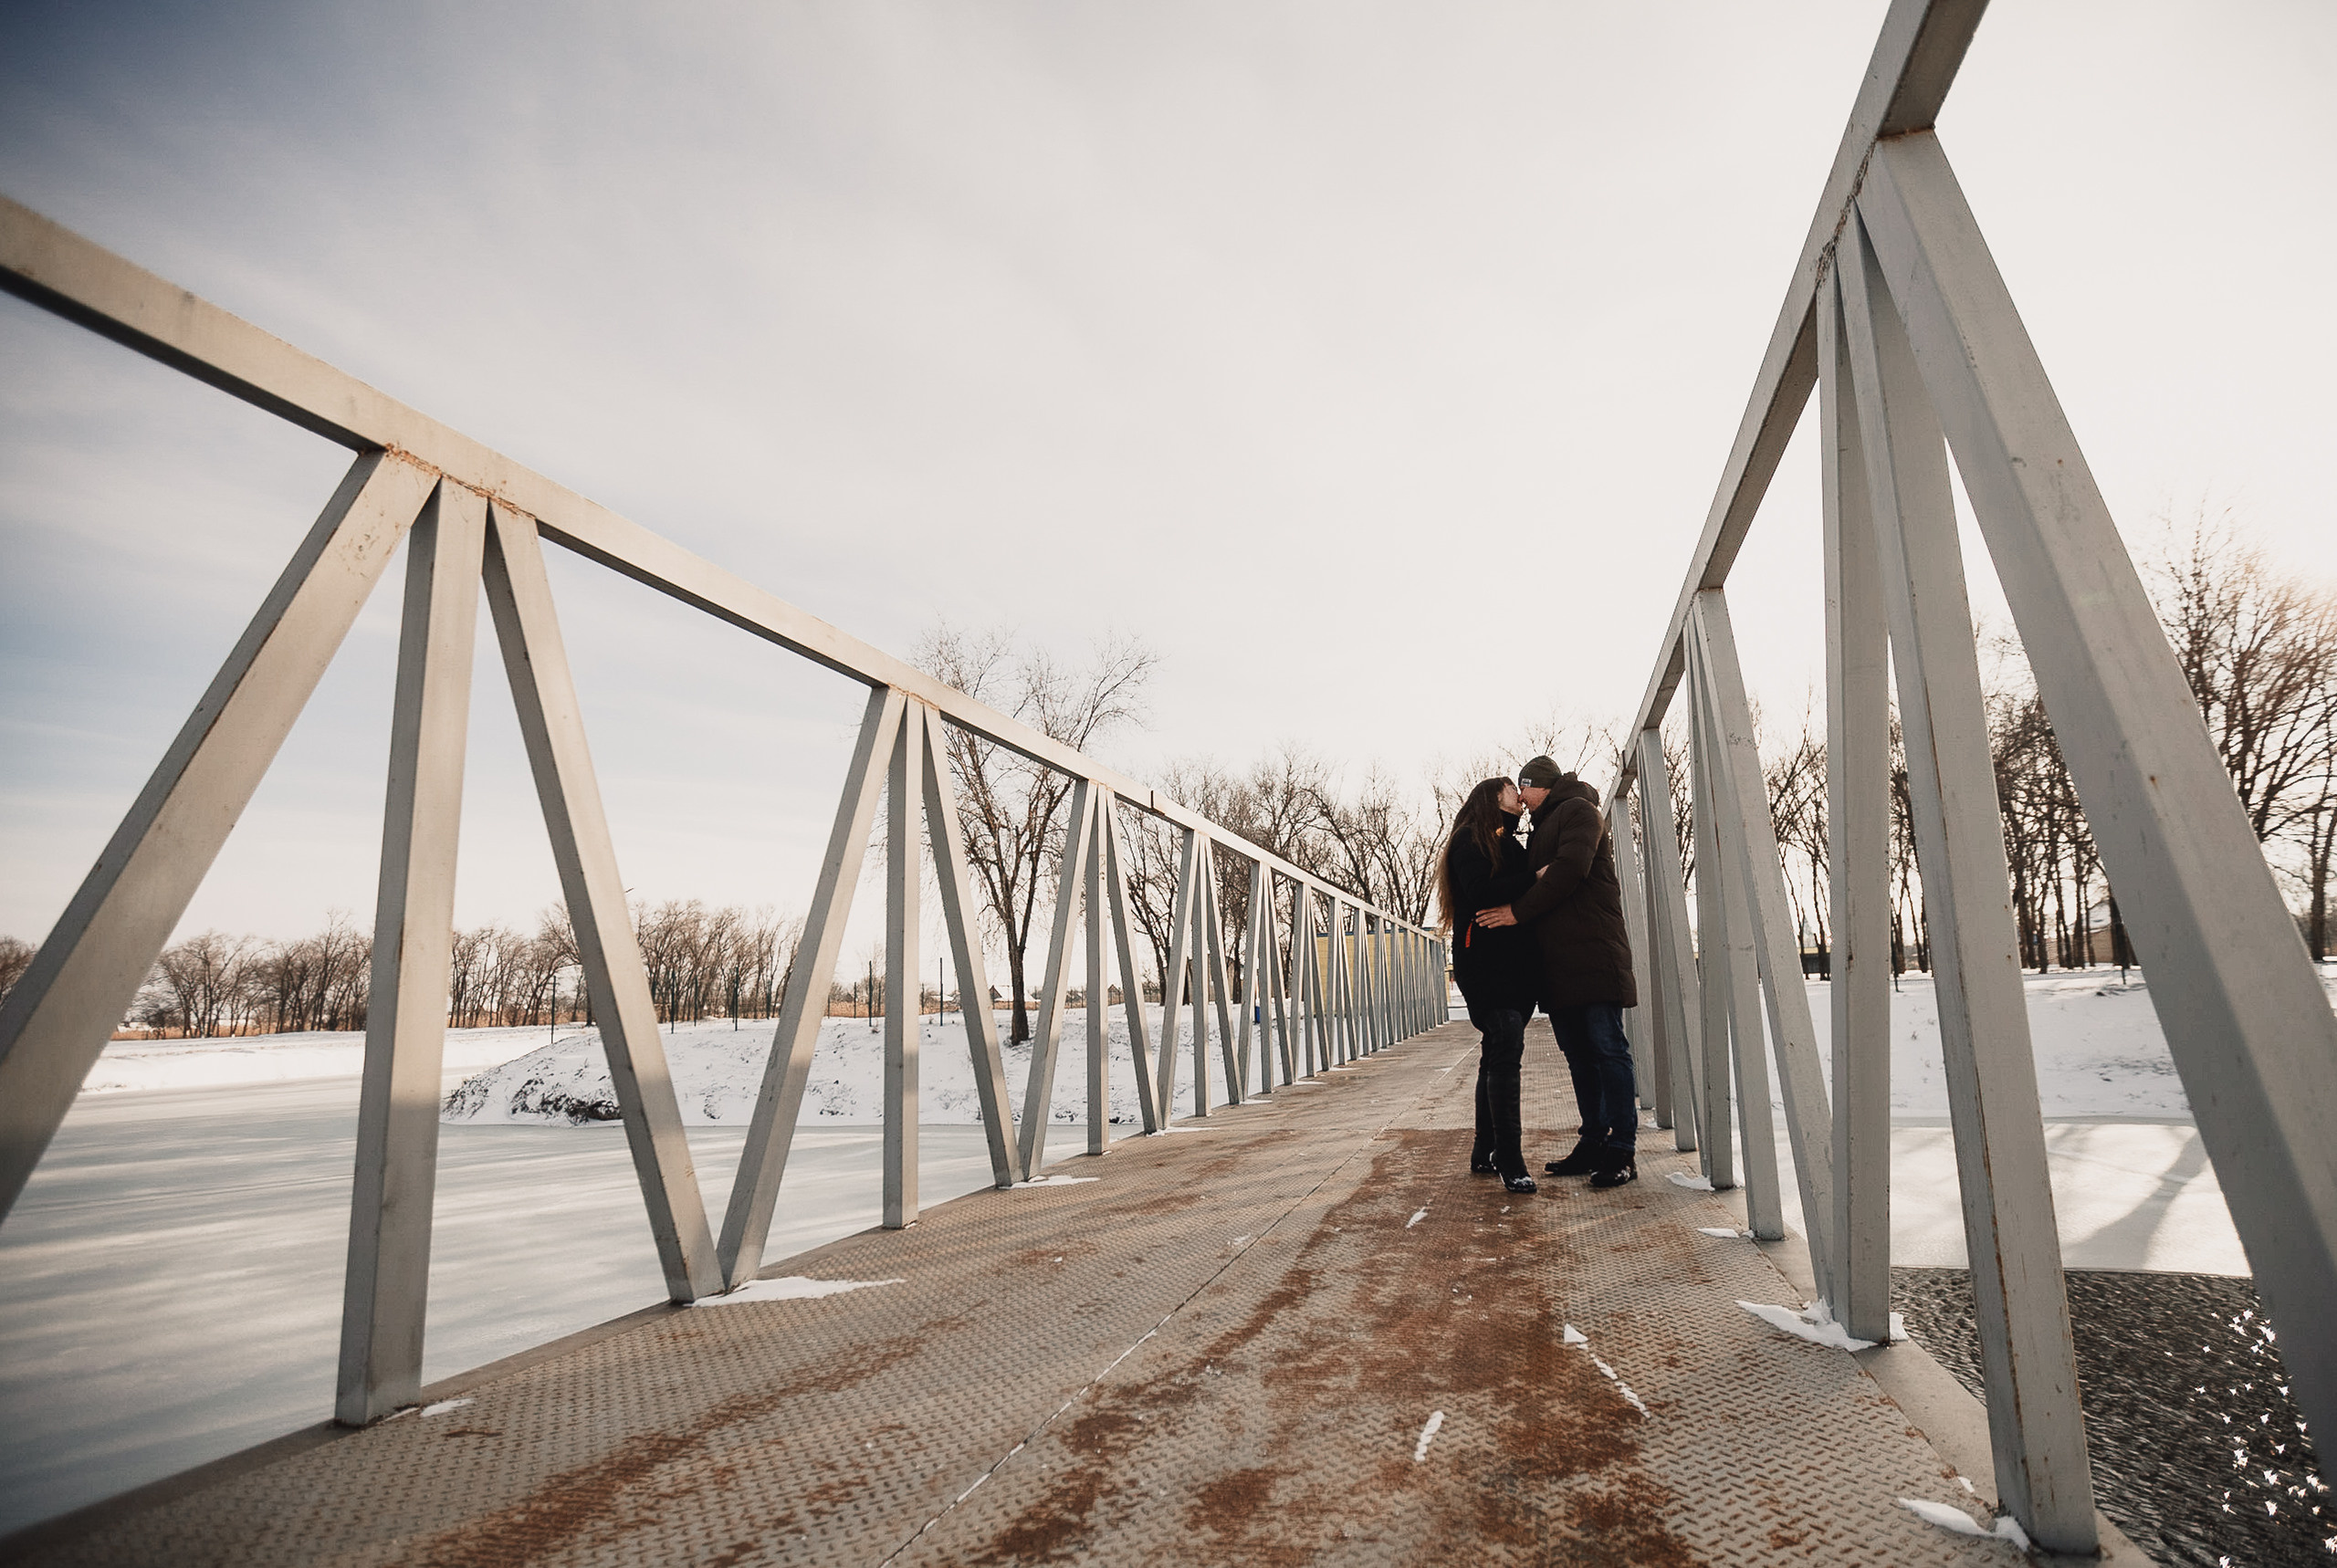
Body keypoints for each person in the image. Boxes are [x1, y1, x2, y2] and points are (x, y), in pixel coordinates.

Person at [1476, 756, 1641, 1188]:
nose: (1521, 797)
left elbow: (1570, 870)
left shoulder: (1580, 812)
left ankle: (1623, 1149)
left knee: (1608, 1050)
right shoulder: (1543, 825)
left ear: (1541, 786)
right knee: (1579, 1057)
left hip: (1593, 954)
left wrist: (1516, 912)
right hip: (1560, 966)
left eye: (1524, 788)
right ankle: (1592, 1142)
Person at [1436, 776, 1540, 1194]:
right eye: (1511, 791)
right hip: (1483, 966)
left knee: (1495, 1053)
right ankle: (1509, 1158)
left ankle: (1485, 1148)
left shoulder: (1506, 842)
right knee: (1505, 1049)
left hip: (1516, 968)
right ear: (1492, 799)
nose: (1519, 796)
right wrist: (1537, 877)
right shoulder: (1470, 839)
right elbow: (1480, 891)